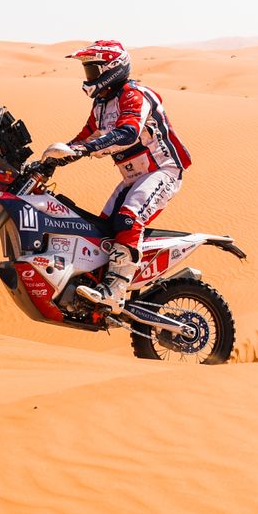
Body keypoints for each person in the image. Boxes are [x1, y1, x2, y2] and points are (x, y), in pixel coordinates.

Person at [40, 40, 192, 313]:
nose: (89, 77)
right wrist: (53, 159)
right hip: (133, 178)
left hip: (162, 171)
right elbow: (84, 137)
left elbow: (128, 132)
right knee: (101, 229)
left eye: (93, 69)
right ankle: (97, 288)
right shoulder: (101, 104)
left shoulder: (134, 95)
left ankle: (115, 292)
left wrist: (85, 149)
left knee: (128, 219)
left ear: (112, 68)